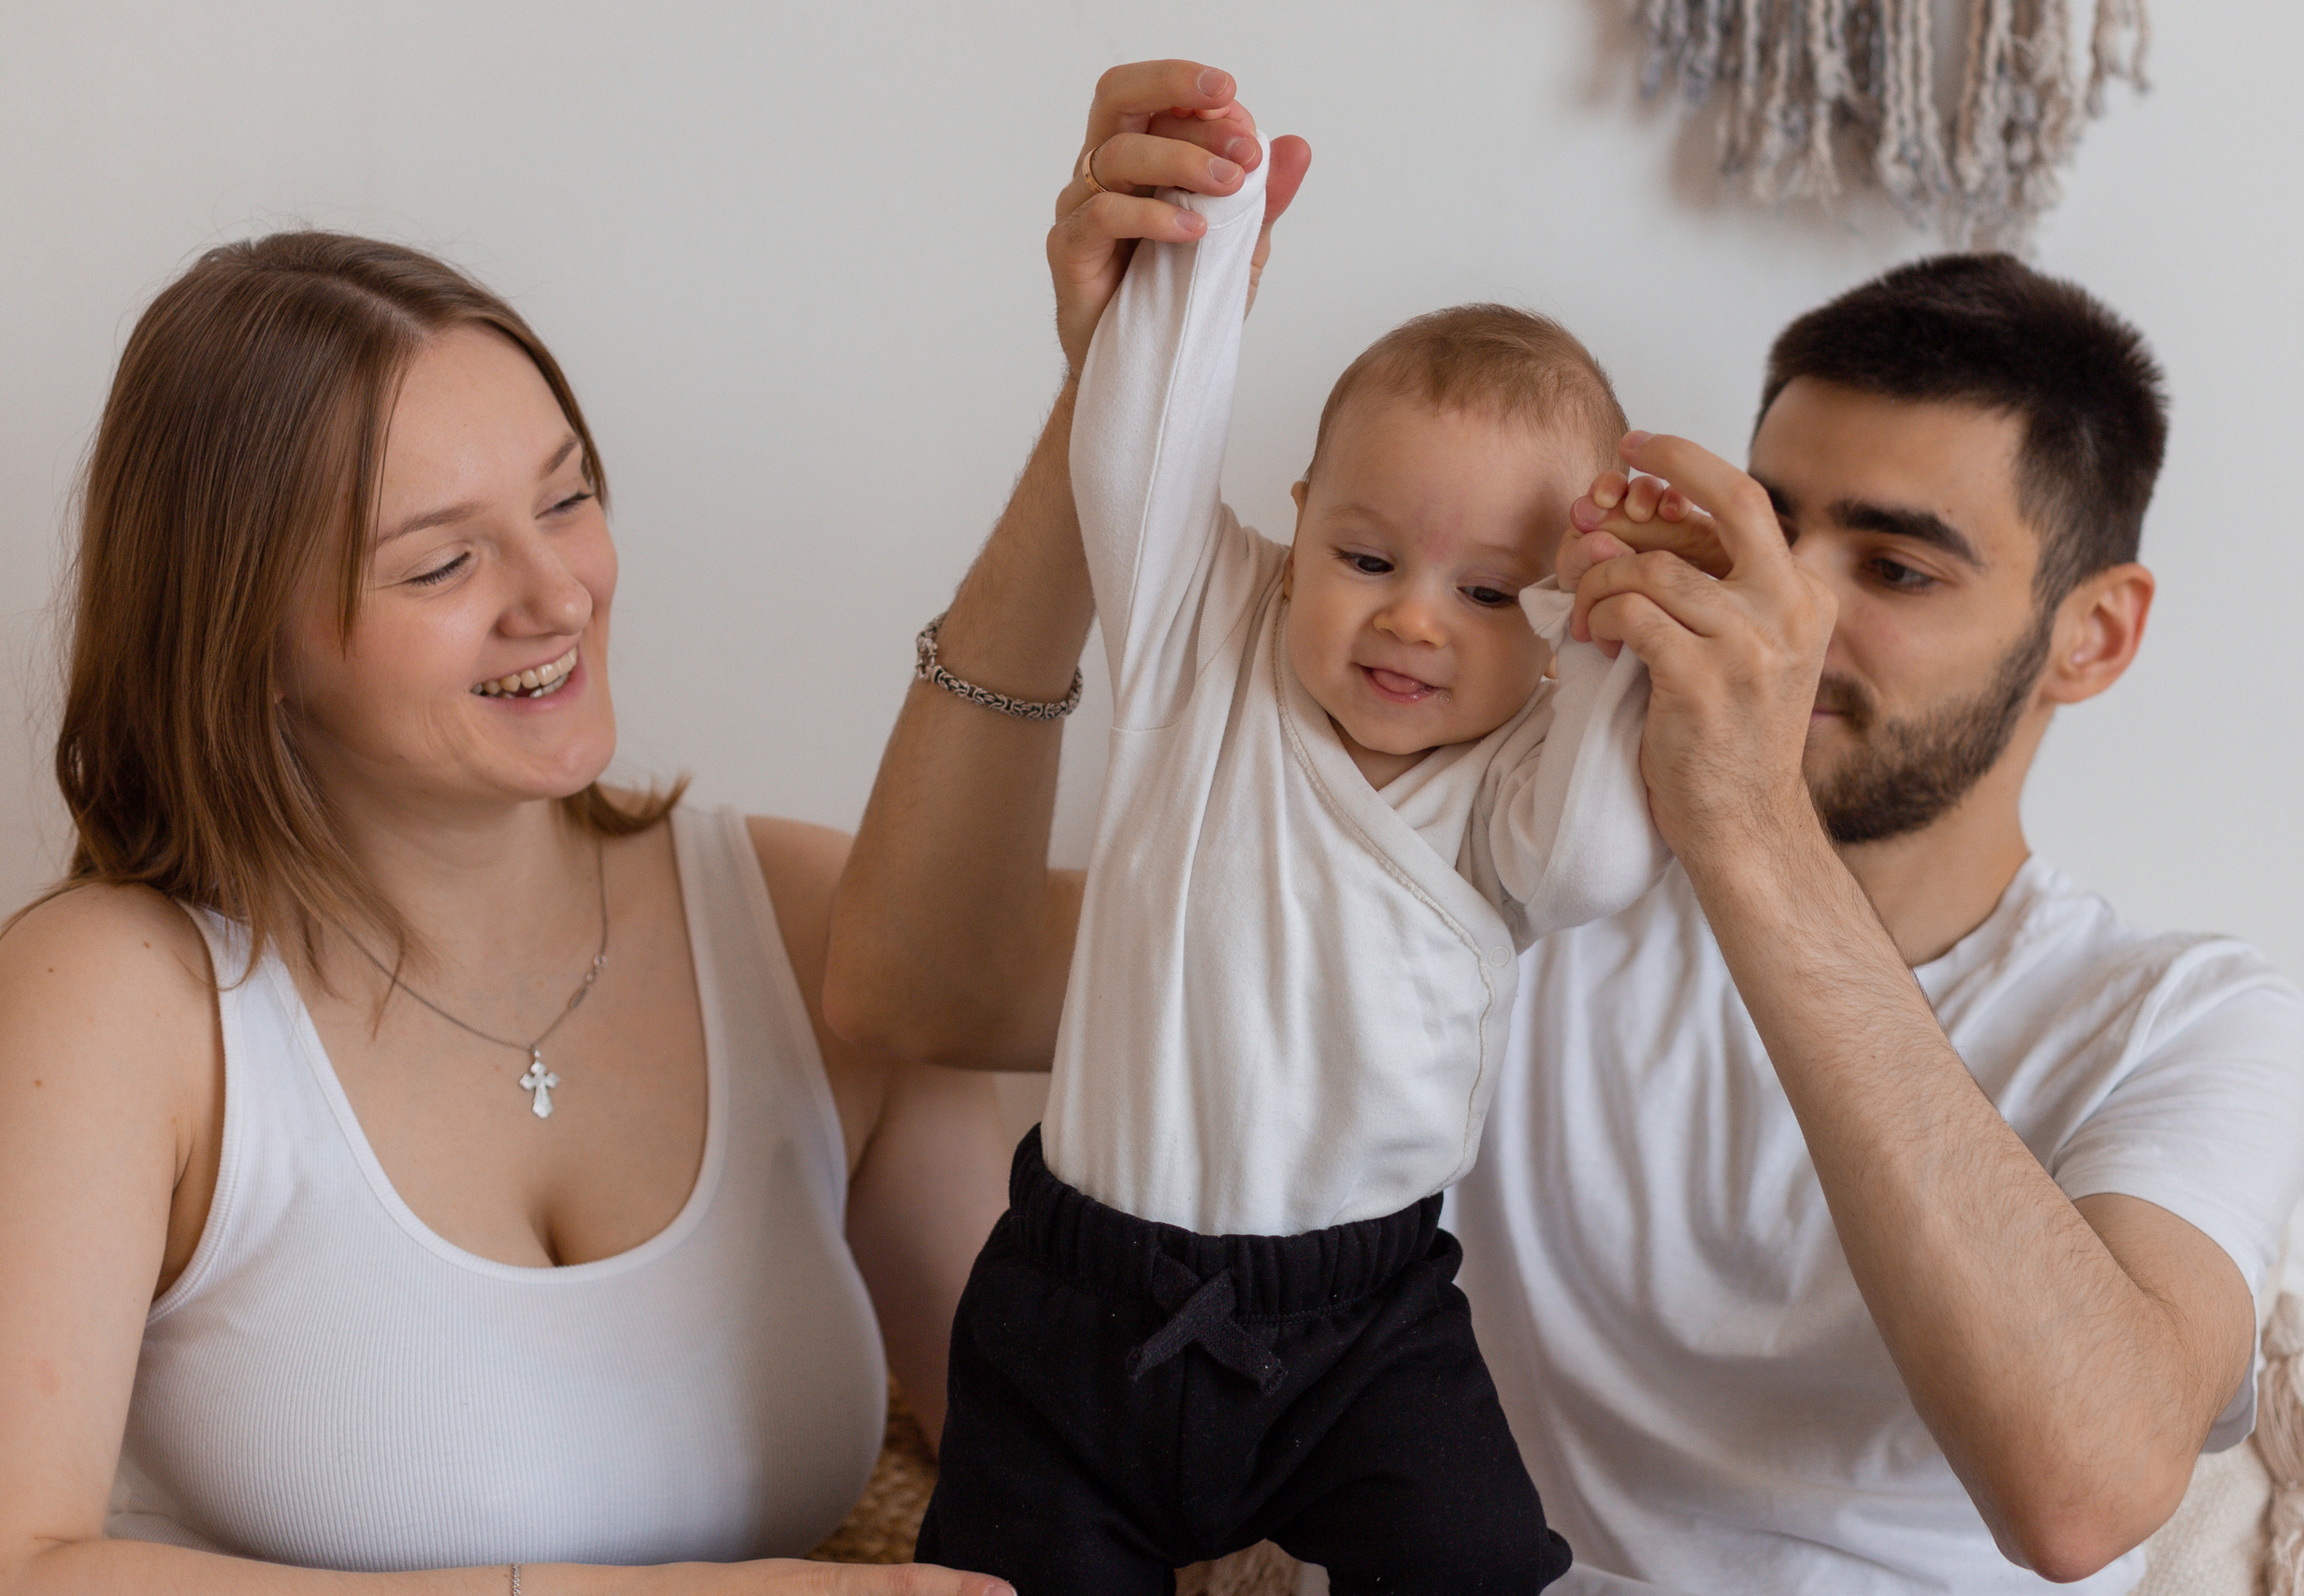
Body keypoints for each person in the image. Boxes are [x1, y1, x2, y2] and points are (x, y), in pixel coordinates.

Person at [826, 60, 2304, 1595]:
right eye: (1771, 529)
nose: (1785, 609)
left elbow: (2087, 1490)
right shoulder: (1493, 854)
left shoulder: (2186, 1017)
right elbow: (918, 986)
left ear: (2095, 637)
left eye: (1900, 570)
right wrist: (1111, 399)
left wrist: (1748, 832)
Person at [0, 232, 1011, 1595]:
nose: (558, 597)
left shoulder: (808, 923)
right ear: (245, 645)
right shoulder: (119, 996)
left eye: (567, 500)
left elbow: (1065, 1461)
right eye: (442, 566)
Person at [905, 128, 1669, 1587]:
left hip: (1360, 1325)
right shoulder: (1213, 637)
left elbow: (1596, 866)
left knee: (1476, 1561)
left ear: (1568, 616)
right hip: (1082, 1303)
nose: (1415, 621)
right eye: (1369, 558)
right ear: (1300, 521)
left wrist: (1621, 638)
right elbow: (1133, 450)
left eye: (1497, 592)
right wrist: (1191, 264)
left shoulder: (1521, 776)